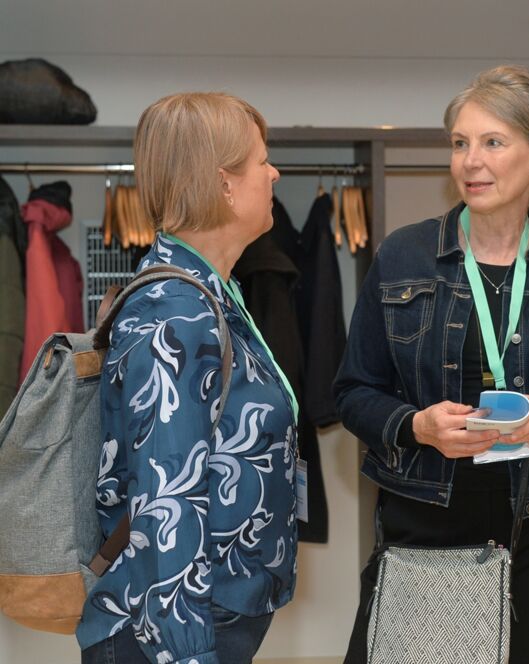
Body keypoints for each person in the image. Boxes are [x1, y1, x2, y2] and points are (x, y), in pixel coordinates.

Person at [334, 65, 529, 663]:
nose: (471, 161)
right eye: (460, 143)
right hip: (427, 527)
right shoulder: (403, 256)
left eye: (493, 142)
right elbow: (352, 391)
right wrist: (417, 426)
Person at [78, 93, 298, 664]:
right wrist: (188, 653)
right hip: (174, 633)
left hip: (217, 613)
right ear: (224, 183)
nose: (274, 173)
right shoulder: (174, 313)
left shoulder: (211, 295)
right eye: (262, 160)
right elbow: (166, 499)